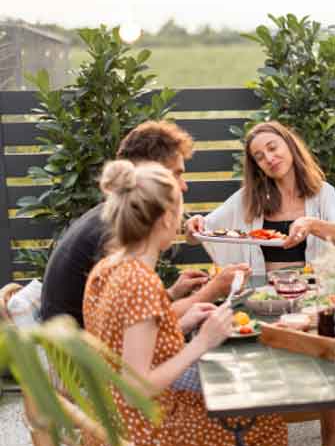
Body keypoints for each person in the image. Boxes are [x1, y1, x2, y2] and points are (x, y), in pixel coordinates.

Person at [84, 160, 287, 446]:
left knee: (240, 408)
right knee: (266, 424)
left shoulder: (110, 265)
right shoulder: (140, 282)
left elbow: (120, 344)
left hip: (110, 416)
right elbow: (136, 385)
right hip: (142, 428)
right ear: (165, 217)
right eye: (179, 210)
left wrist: (183, 321)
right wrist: (203, 342)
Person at [185, 121, 335, 446]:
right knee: (246, 347)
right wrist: (195, 225)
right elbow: (204, 233)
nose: (269, 158)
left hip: (314, 290)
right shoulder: (252, 198)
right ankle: (256, 433)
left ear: (290, 145)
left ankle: (329, 434)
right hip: (263, 293)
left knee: (322, 344)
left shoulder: (322, 193)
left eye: (273, 148)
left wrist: (312, 224)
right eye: (259, 156)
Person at [40, 121, 249, 328]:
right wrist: (213, 290)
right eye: (176, 174)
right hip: (85, 358)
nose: (183, 186)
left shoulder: (114, 217)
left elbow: (129, 310)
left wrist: (172, 293)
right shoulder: (111, 234)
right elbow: (137, 328)